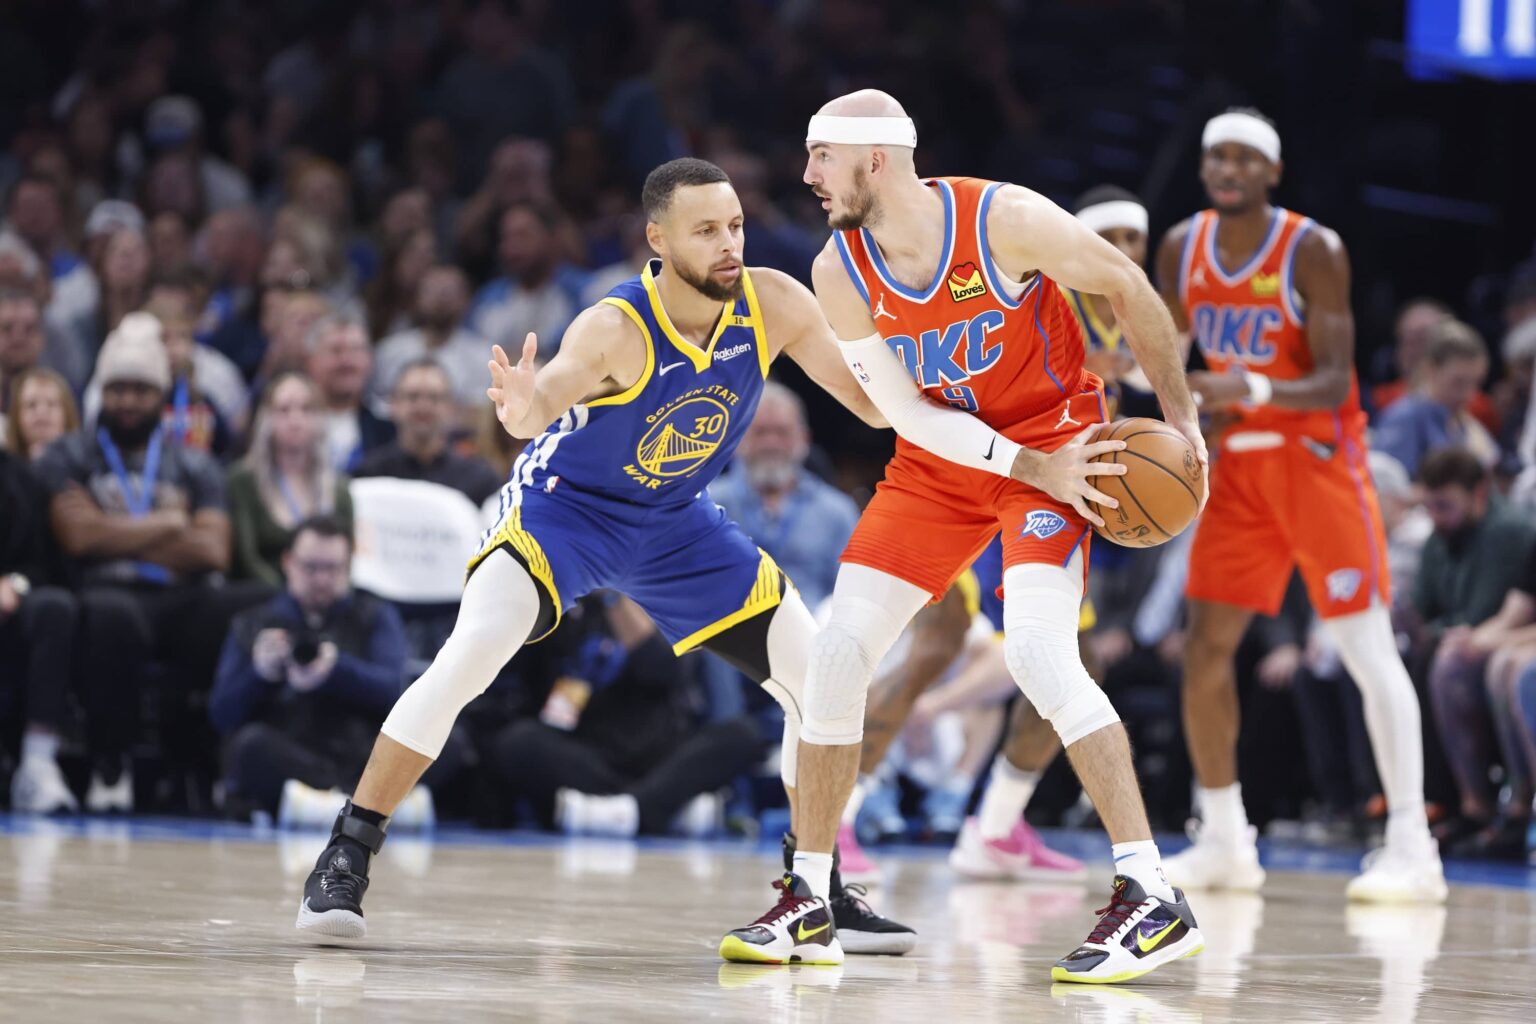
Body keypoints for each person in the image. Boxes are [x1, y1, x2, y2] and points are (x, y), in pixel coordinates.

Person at [294, 157, 916, 959]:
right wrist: (523, 408)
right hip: (566, 513)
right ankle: (347, 852)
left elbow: (871, 406)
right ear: (658, 240)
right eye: (706, 231)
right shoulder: (615, 326)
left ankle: (816, 889)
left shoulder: (776, 303)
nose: (730, 244)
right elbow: (542, 404)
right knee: (470, 657)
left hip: (674, 521)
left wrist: (931, 362)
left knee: (823, 680)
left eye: (735, 226)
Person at [777, 90, 1207, 984]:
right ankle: (812, 896)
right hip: (947, 459)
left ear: (876, 159)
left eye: (823, 155)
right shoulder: (836, 268)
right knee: (838, 654)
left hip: (1060, 445)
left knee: (1039, 655)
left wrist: (1183, 422)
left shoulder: (1002, 219)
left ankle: (1151, 893)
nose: (809, 174)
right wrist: (1020, 465)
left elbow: (1127, 286)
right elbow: (902, 412)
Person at [1155, 108, 1444, 903]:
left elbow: (1334, 379)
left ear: (1273, 172)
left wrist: (1247, 386)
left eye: (1245, 157)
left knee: (1364, 647)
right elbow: (1170, 361)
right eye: (1217, 156)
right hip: (1237, 470)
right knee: (1205, 648)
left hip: (1317, 462)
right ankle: (1224, 840)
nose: (1229, 169)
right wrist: (1179, 404)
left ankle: (1413, 847)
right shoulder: (1181, 247)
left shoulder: (1313, 250)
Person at [34, 316, 256, 810]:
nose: (128, 401)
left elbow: (213, 550)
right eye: (117, 389)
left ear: (161, 396)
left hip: (181, 596)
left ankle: (207, 768)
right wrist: (170, 523)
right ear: (100, 393)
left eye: (141, 390)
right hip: (105, 590)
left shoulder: (195, 462)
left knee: (255, 604)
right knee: (112, 618)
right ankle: (111, 766)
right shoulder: (69, 455)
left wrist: (110, 528)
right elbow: (77, 538)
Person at [492, 593, 760, 837]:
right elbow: (547, 701)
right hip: (594, 756)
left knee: (741, 734)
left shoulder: (661, 601)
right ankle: (659, 808)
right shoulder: (565, 611)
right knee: (518, 741)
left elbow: (663, 669)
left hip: (662, 753)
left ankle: (616, 812)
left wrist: (616, 598)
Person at [210, 517, 425, 819]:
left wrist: (336, 671)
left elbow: (395, 692)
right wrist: (260, 674)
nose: (322, 579)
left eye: (332, 568)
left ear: (348, 566)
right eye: (311, 567)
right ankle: (358, 804)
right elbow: (221, 714)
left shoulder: (374, 615)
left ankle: (337, 802)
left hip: (361, 758)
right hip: (287, 752)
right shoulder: (254, 623)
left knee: (438, 740)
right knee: (249, 746)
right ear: (288, 562)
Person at [1414, 449, 1536, 857]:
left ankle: (1522, 806)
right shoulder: (1441, 537)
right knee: (1456, 659)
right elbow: (1517, 609)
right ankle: (1480, 808)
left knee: (1512, 668)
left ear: (1478, 492)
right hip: (1520, 635)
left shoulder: (1509, 531)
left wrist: (1500, 640)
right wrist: (1479, 639)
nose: (1435, 516)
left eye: (1444, 504)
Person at [0, 444, 82, 812]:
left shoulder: (20, 478)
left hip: (9, 607)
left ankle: (37, 763)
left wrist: (14, 584)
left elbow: (42, 564)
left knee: (55, 607)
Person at [227, 372, 354, 586]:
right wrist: (291, 594)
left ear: (320, 418)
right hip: (264, 594)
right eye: (284, 410)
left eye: (306, 409)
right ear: (266, 419)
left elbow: (349, 560)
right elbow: (246, 558)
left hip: (326, 591)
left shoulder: (339, 488)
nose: (295, 420)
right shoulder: (242, 481)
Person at [1063, 186, 1158, 421]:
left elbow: (1163, 379)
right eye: (1106, 239)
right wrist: (1077, 371)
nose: (1123, 250)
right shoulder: (1054, 298)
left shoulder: (1147, 305)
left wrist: (1129, 366)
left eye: (1132, 238)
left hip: (1099, 428)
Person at [353, 359, 502, 506]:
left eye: (434, 398)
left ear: (451, 407)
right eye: (412, 397)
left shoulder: (480, 480)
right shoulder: (368, 476)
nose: (423, 407)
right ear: (394, 404)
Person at [1373, 319, 1499, 477]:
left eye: (1476, 382)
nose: (1469, 394)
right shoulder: (1404, 418)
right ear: (1430, 368)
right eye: (1458, 382)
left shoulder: (1469, 426)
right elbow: (1386, 484)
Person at [371, 265, 492, 421]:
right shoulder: (389, 351)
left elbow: (482, 412)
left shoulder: (483, 356)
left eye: (449, 293)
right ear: (417, 298)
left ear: (466, 300)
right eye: (433, 291)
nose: (441, 300)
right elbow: (377, 405)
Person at [303, 311, 394, 470]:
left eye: (356, 350)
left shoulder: (388, 427)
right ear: (311, 361)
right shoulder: (291, 421)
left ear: (369, 360)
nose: (346, 361)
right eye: (335, 351)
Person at [0, 289, 49, 448]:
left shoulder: (58, 398)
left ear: (41, 338)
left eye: (29, 329)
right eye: (7, 328)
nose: (18, 338)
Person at [3, 366, 79, 460]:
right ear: (16, 415)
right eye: (31, 405)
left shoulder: (85, 464)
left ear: (67, 414)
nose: (41, 412)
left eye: (51, 404)